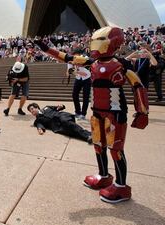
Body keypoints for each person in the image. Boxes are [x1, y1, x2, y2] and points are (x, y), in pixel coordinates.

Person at [35, 26, 149, 203]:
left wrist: (142, 111)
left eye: (100, 40)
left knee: (116, 149)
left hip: (115, 113)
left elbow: (138, 85)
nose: (95, 44)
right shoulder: (91, 63)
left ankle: (121, 186)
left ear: (113, 42)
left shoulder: (121, 64)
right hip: (96, 113)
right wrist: (44, 47)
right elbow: (66, 57)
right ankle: (103, 175)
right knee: (98, 145)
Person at [27, 103, 92, 143]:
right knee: (71, 132)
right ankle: (89, 136)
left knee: (66, 122)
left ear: (36, 107)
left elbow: (59, 107)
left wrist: (61, 106)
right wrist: (40, 129)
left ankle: (87, 136)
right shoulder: (37, 120)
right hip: (57, 126)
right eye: (30, 111)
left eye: (32, 109)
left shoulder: (46, 108)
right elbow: (39, 125)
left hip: (62, 117)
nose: (32, 111)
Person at [67, 49, 91, 120]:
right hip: (78, 78)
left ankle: (83, 114)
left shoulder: (85, 59)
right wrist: (70, 72)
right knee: (74, 94)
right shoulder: (71, 61)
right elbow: (69, 71)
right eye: (74, 57)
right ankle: (77, 112)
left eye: (76, 56)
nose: (75, 58)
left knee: (85, 96)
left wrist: (76, 71)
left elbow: (85, 73)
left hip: (87, 79)